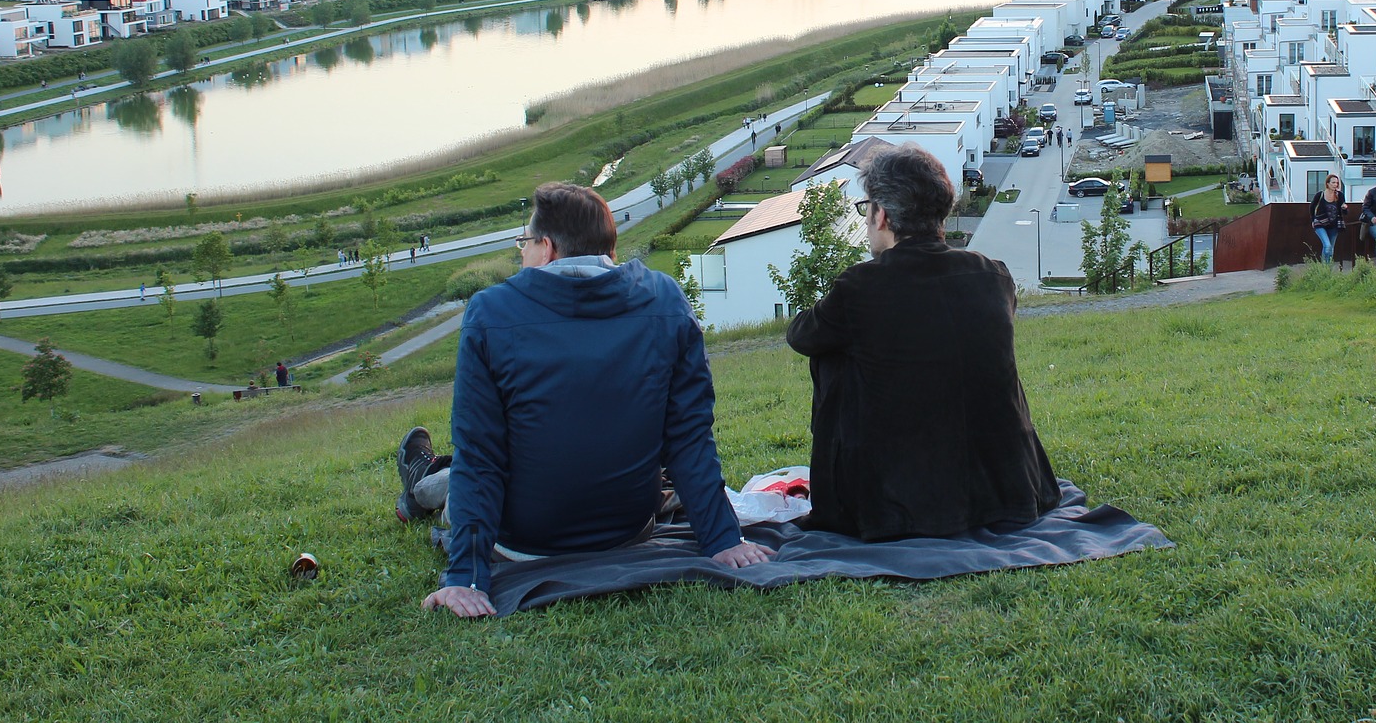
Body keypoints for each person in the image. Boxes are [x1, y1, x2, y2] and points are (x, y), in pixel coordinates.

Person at [411, 181, 770, 619]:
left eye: (524, 242)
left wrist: (465, 577)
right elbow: (687, 437)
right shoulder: (665, 299)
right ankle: (423, 474)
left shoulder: (491, 313)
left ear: (547, 248)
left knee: (456, 479)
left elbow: (481, 457)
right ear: (608, 250)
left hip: (523, 543)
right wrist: (723, 541)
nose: (521, 252)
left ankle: (419, 475)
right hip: (627, 529)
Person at [787, 144, 1060, 541]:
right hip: (1012, 488)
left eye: (867, 210)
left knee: (833, 355)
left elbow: (801, 336)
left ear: (880, 214)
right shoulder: (994, 276)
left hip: (900, 504)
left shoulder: (860, 286)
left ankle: (850, 493)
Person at [1309, 173, 1348, 264]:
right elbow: (1312, 207)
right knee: (1327, 245)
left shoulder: (1340, 195)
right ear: (1327, 184)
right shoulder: (1320, 195)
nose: (1335, 185)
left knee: (1331, 247)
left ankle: (1327, 268)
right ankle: (1324, 267)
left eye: (1337, 183)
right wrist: (1312, 220)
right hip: (1320, 223)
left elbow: (1344, 212)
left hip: (1334, 225)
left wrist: (1345, 208)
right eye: (1333, 182)